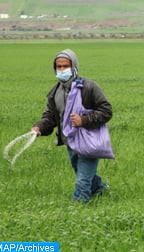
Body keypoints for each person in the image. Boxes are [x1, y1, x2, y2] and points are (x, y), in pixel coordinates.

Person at [32, 49, 112, 203]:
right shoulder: (55, 92)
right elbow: (50, 117)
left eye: (65, 66)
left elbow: (106, 111)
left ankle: (78, 210)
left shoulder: (89, 87)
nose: (62, 70)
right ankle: (101, 190)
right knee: (84, 174)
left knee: (82, 181)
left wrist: (84, 120)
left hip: (89, 142)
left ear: (74, 66)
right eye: (59, 67)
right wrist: (39, 127)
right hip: (70, 142)